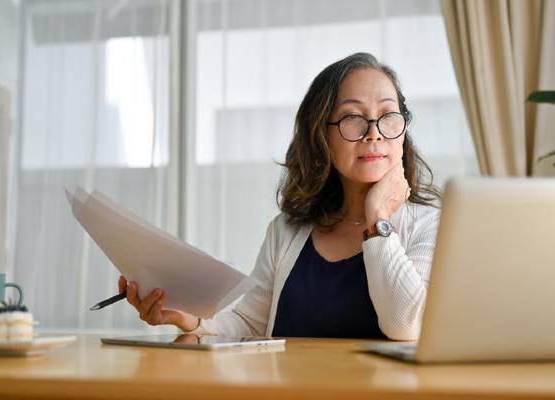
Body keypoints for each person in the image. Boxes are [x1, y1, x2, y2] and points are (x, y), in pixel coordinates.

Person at [118, 52, 441, 341]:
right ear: (321, 136)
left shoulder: (431, 225)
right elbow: (249, 323)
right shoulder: (285, 231)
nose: (374, 132)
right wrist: (192, 321)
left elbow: (406, 326)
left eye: (388, 115)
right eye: (352, 118)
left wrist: (378, 219)